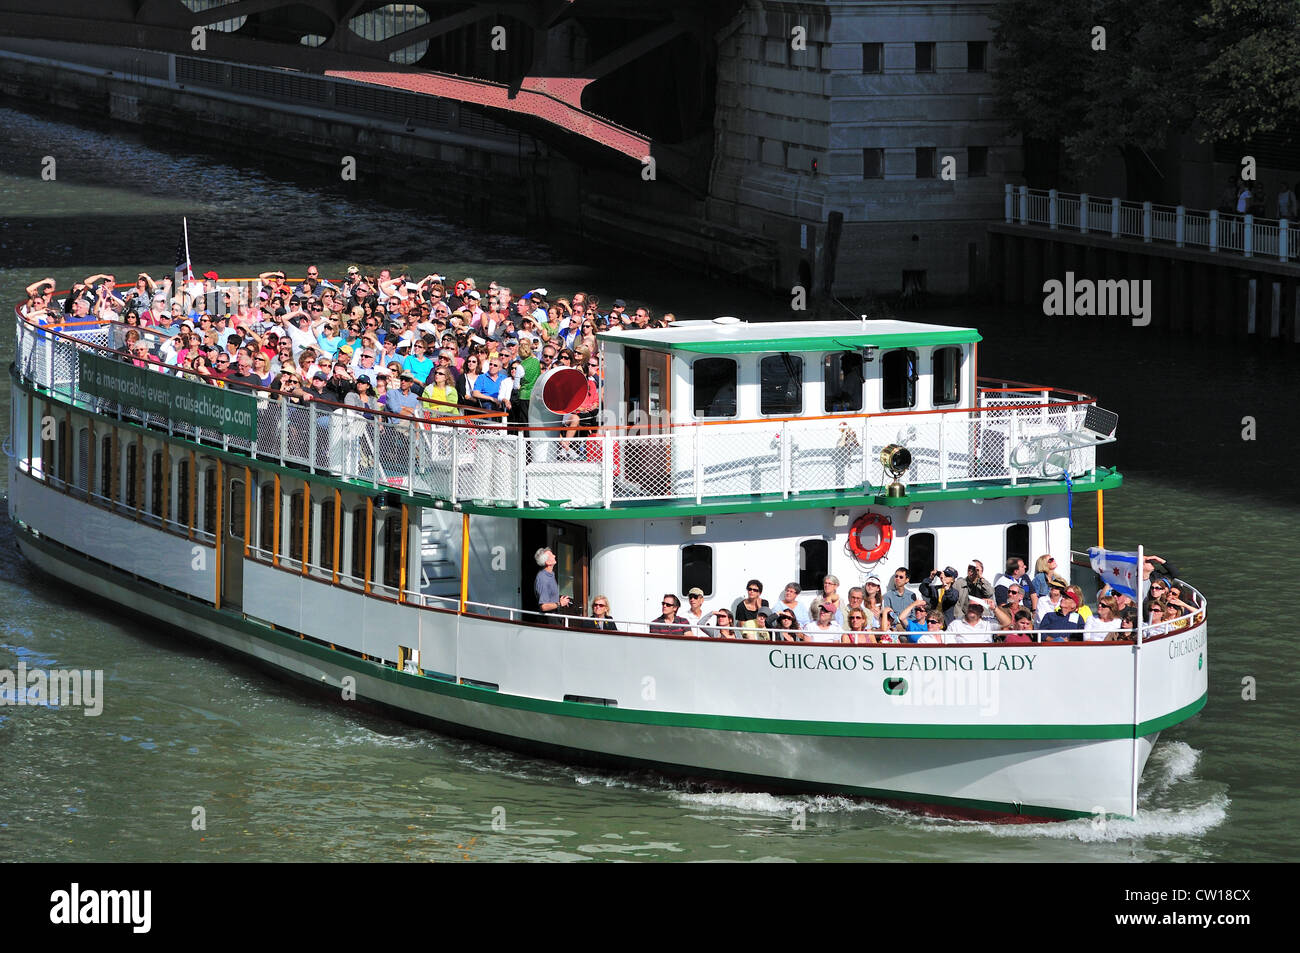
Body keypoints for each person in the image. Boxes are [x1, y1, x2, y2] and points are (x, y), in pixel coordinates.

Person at [533, 547, 573, 617]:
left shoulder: (551, 574)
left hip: (555, 615)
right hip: (549, 619)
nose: (554, 556)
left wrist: (559, 600)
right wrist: (560, 603)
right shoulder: (543, 578)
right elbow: (544, 606)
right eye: (551, 555)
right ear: (547, 562)